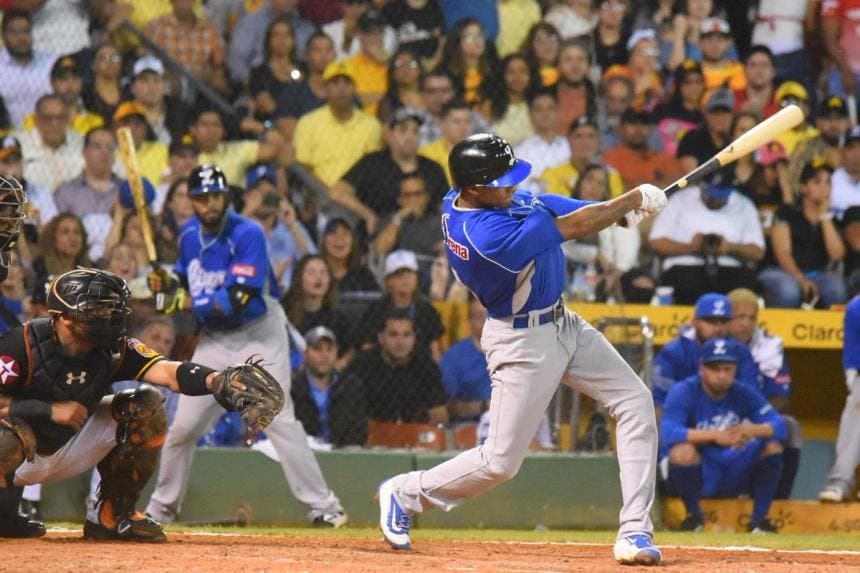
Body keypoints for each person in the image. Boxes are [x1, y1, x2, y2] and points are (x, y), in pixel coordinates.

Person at [376, 133, 665, 565]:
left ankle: (635, 531)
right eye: (501, 181)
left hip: (563, 322)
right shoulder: (483, 237)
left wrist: (617, 214)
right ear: (473, 187)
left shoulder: (475, 197)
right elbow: (570, 226)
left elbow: (546, 203)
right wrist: (626, 202)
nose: (511, 186)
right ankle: (405, 493)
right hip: (522, 340)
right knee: (501, 462)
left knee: (635, 400)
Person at [145, 165, 347, 528]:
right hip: (215, 339)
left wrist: (182, 301)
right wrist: (166, 282)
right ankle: (161, 509)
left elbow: (238, 298)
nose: (210, 204)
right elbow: (182, 275)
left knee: (277, 418)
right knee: (183, 428)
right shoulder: (188, 235)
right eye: (202, 198)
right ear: (192, 201)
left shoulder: (247, 231)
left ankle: (325, 507)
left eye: (216, 196)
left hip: (259, 331)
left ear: (226, 197)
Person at [0, 268, 266, 541]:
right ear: (64, 316)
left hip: (72, 444)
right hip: (19, 455)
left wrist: (215, 380)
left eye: (111, 308)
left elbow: (167, 372)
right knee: (5, 437)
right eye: (98, 309)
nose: (109, 316)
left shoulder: (114, 347)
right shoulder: (20, 345)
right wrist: (48, 410)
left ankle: (111, 516)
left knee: (148, 404)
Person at [660, 337, 787, 533]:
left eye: (727, 369)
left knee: (772, 445)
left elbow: (780, 426)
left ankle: (759, 521)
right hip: (702, 470)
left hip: (733, 465)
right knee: (681, 451)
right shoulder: (684, 390)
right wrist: (714, 435)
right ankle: (693, 519)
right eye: (715, 368)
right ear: (702, 368)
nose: (721, 375)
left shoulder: (742, 392)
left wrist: (749, 430)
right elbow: (668, 432)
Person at [649, 169, 765, 305]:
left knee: (744, 287)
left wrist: (730, 247)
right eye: (712, 195)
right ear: (702, 187)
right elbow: (656, 242)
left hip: (730, 268)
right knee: (687, 284)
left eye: (722, 196)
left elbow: (758, 252)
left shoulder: (744, 204)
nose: (716, 200)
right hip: (685, 267)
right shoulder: (680, 200)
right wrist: (690, 247)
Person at [727, 288, 801, 500]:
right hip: (714, 416)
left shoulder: (770, 345)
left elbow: (780, 396)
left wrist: (754, 422)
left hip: (757, 417)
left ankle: (779, 500)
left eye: (752, 318)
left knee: (790, 427)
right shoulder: (714, 341)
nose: (746, 323)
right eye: (739, 317)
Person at [651, 293, 760, 416]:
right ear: (695, 322)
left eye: (723, 321)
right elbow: (658, 403)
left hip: (729, 422)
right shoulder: (675, 351)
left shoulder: (741, 352)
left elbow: (752, 400)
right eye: (711, 321)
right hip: (682, 424)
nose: (718, 328)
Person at [758, 160, 847, 309]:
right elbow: (783, 254)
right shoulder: (787, 213)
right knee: (789, 291)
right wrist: (801, 279)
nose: (824, 188)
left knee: (836, 289)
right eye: (817, 182)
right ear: (804, 187)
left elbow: (837, 255)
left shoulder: (832, 219)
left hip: (816, 274)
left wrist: (824, 216)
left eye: (828, 182)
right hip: (779, 271)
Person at [346, 308, 448, 424]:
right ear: (381, 338)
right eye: (393, 335)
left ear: (414, 338)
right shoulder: (361, 365)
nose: (400, 342)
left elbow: (439, 415)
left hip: (415, 434)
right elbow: (350, 413)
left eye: (406, 335)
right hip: (372, 435)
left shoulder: (427, 366)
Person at [291, 326, 367, 447]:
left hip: (343, 456)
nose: (324, 355)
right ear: (305, 354)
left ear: (336, 352)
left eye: (329, 349)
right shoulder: (292, 388)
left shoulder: (351, 386)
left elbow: (358, 429)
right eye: (317, 349)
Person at [819, 294, 860, 502]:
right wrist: (852, 376)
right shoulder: (856, 307)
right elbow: (852, 351)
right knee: (854, 409)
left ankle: (840, 480)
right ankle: (840, 481)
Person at [439, 297, 491, 423]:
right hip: (470, 427)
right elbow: (450, 407)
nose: (486, 321)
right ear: (469, 321)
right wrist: (485, 406)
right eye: (479, 316)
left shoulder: (513, 352)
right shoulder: (454, 357)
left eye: (491, 316)